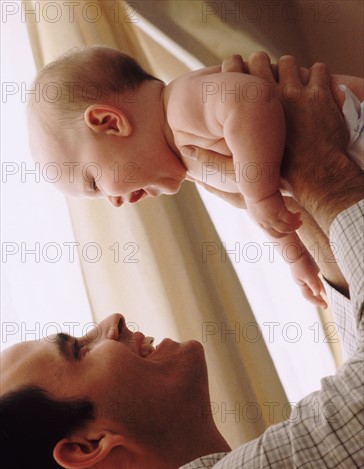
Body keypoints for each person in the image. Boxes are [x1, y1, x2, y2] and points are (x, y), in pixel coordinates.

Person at [2, 53, 363, 469]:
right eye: (79, 349)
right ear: (88, 446)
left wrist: (303, 196)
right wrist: (321, 175)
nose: (110, 319)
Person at [27, 46, 364, 307]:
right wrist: (296, 255)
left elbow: (250, 98)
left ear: (110, 122)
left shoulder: (179, 107)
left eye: (95, 183)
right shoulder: (196, 166)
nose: (113, 201)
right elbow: (271, 210)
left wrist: (262, 195)